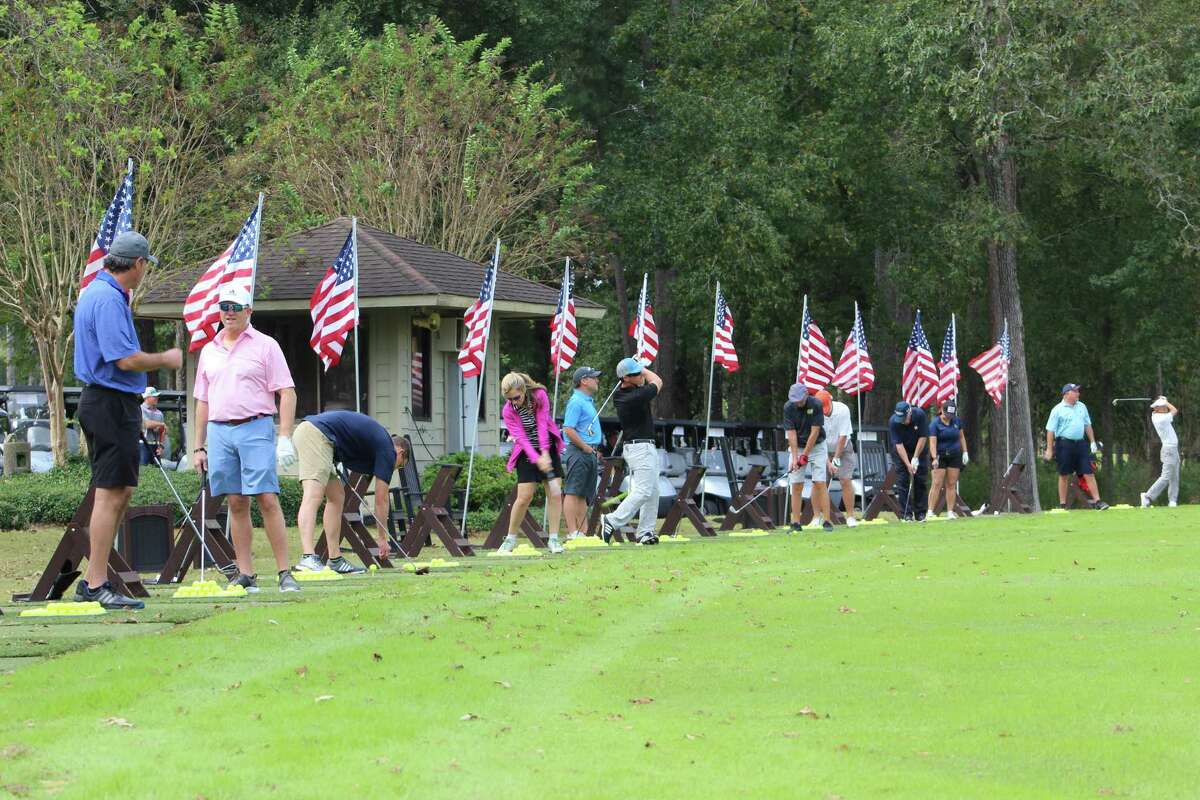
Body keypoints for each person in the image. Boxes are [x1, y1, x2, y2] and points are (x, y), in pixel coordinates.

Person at [73, 231, 182, 609]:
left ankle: (96, 578)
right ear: (137, 264)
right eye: (145, 266)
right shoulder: (105, 299)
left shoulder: (103, 293)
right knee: (109, 493)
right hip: (107, 401)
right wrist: (165, 359)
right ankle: (95, 582)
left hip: (113, 403)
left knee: (121, 491)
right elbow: (125, 360)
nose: (144, 272)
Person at [192, 284, 302, 592]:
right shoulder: (209, 350)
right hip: (219, 430)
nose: (229, 312)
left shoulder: (266, 345)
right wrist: (198, 446)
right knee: (236, 502)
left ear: (248, 311)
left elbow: (286, 391)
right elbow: (202, 400)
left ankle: (284, 572)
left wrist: (284, 435)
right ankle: (245, 573)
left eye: (235, 307)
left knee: (267, 498)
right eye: (224, 307)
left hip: (255, 426)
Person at [292, 410, 410, 574]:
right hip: (316, 434)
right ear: (400, 453)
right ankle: (308, 557)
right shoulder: (388, 450)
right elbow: (381, 499)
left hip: (321, 439)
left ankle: (335, 560)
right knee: (313, 494)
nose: (396, 468)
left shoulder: (379, 444)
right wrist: (382, 538)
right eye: (401, 465)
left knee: (337, 496)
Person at [500, 372, 566, 554]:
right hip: (526, 452)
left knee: (554, 494)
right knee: (524, 497)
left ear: (523, 389)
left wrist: (545, 452)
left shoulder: (539, 395)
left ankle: (553, 540)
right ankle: (510, 540)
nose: (514, 401)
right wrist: (536, 458)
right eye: (509, 399)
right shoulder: (508, 410)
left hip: (548, 448)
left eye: (516, 397)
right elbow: (520, 437)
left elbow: (542, 424)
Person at [600, 358, 663, 545]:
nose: (641, 375)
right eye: (636, 374)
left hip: (644, 446)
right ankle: (612, 520)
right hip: (639, 447)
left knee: (653, 491)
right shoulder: (630, 397)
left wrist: (638, 369)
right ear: (625, 378)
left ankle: (645, 532)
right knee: (644, 490)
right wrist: (643, 369)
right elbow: (658, 381)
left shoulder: (634, 391)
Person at [1044, 383, 1108, 510]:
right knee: (1064, 474)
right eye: (1075, 391)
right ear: (1067, 394)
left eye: (1078, 391)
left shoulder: (1081, 406)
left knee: (1088, 472)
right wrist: (1049, 449)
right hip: (1064, 444)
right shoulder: (1057, 409)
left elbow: (1087, 425)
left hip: (1080, 444)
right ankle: (1062, 504)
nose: (1078, 393)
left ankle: (1098, 502)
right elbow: (1050, 431)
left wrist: (1092, 442)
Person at [561, 366, 603, 541]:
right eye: (594, 377)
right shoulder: (576, 401)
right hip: (578, 451)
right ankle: (573, 532)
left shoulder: (587, 401)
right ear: (584, 381)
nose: (597, 380)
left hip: (588, 452)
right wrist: (585, 446)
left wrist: (591, 448)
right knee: (573, 492)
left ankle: (583, 533)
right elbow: (568, 429)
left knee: (583, 494)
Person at [784, 384, 832, 533]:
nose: (797, 402)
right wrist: (795, 457)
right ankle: (796, 523)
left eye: (799, 399)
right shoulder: (788, 407)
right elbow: (791, 434)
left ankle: (827, 521)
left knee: (819, 482)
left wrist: (804, 455)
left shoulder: (816, 404)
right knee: (796, 484)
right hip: (797, 446)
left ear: (806, 395)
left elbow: (815, 432)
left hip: (817, 446)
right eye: (794, 400)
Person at [926, 399, 969, 519]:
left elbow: (961, 437)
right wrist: (934, 458)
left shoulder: (956, 421)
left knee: (951, 484)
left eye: (951, 415)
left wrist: (965, 452)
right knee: (937, 483)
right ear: (941, 411)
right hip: (939, 456)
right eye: (946, 415)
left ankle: (950, 511)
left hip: (954, 455)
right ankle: (930, 511)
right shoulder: (934, 424)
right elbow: (933, 443)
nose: (949, 417)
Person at [889, 401, 930, 521]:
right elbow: (898, 445)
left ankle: (920, 513)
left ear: (909, 413)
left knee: (920, 480)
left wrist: (916, 458)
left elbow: (923, 437)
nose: (902, 421)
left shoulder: (920, 415)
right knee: (902, 481)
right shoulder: (894, 422)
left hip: (919, 449)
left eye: (903, 418)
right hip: (902, 453)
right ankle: (906, 514)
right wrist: (908, 464)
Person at [822, 390, 858, 527]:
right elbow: (818, 440)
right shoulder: (816, 412)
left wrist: (836, 459)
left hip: (844, 448)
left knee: (845, 480)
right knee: (820, 483)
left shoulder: (843, 409)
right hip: (823, 449)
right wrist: (828, 462)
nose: (825, 412)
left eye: (826, 407)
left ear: (831, 401)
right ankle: (819, 516)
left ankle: (850, 516)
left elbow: (843, 437)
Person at [1141, 397, 1180, 508]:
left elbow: (1170, 411)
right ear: (1157, 409)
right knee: (1166, 477)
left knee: (1174, 476)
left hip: (1172, 449)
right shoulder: (1160, 418)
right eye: (1163, 407)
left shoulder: (1160, 415)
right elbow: (1174, 410)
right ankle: (1147, 496)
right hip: (1169, 450)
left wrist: (1163, 401)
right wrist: (1166, 401)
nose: (1165, 408)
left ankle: (1172, 500)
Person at [140, 387, 167, 466]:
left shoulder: (160, 413)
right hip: (143, 445)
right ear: (147, 397)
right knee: (143, 470)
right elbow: (147, 424)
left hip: (156, 446)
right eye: (154, 396)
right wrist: (161, 424)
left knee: (157, 470)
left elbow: (163, 430)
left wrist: (161, 446)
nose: (157, 398)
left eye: (157, 396)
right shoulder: (140, 409)